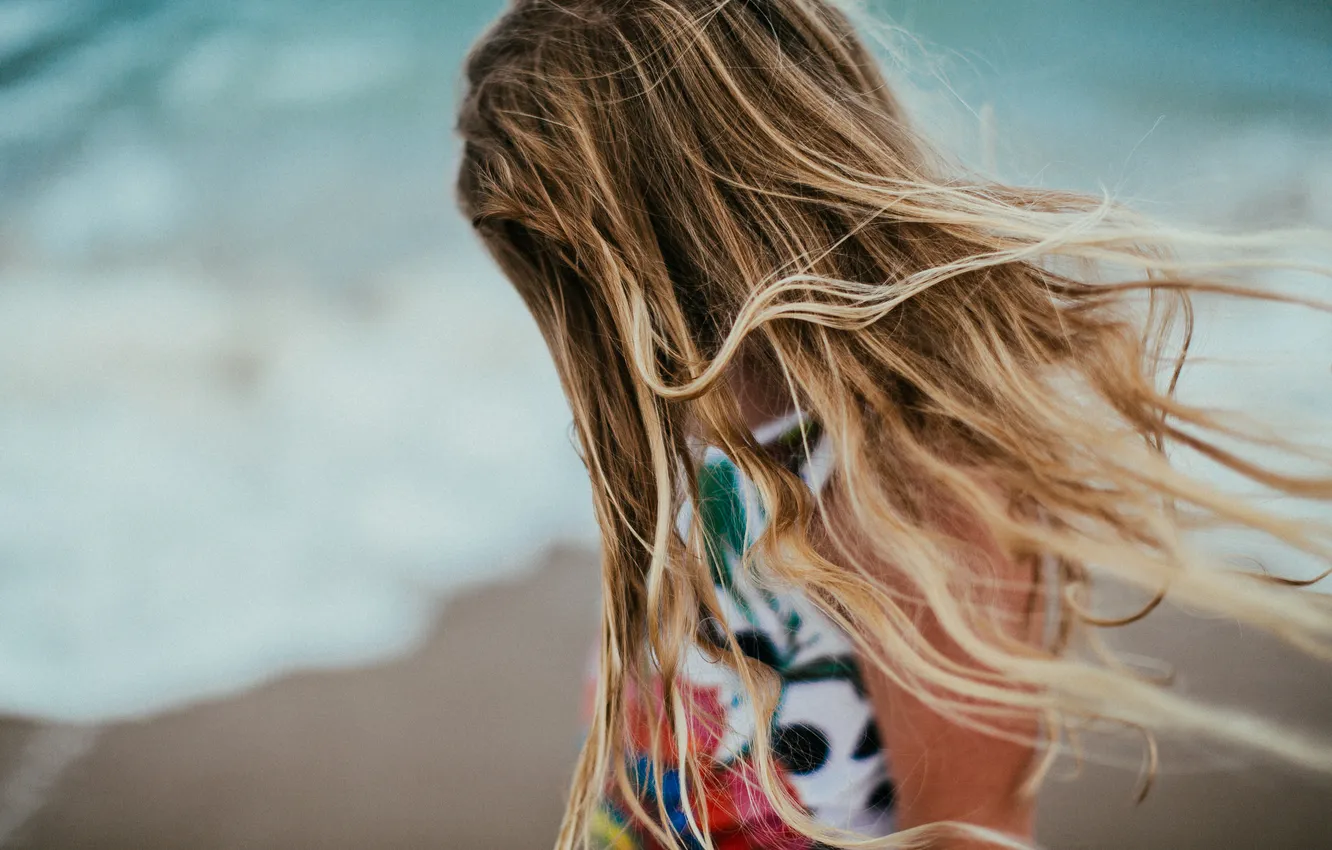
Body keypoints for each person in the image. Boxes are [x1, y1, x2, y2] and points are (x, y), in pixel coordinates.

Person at [454, 1, 1332, 848]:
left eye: (561, 288)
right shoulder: (720, 451)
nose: (577, 350)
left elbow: (972, 838)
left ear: (641, 267)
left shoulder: (908, 495)